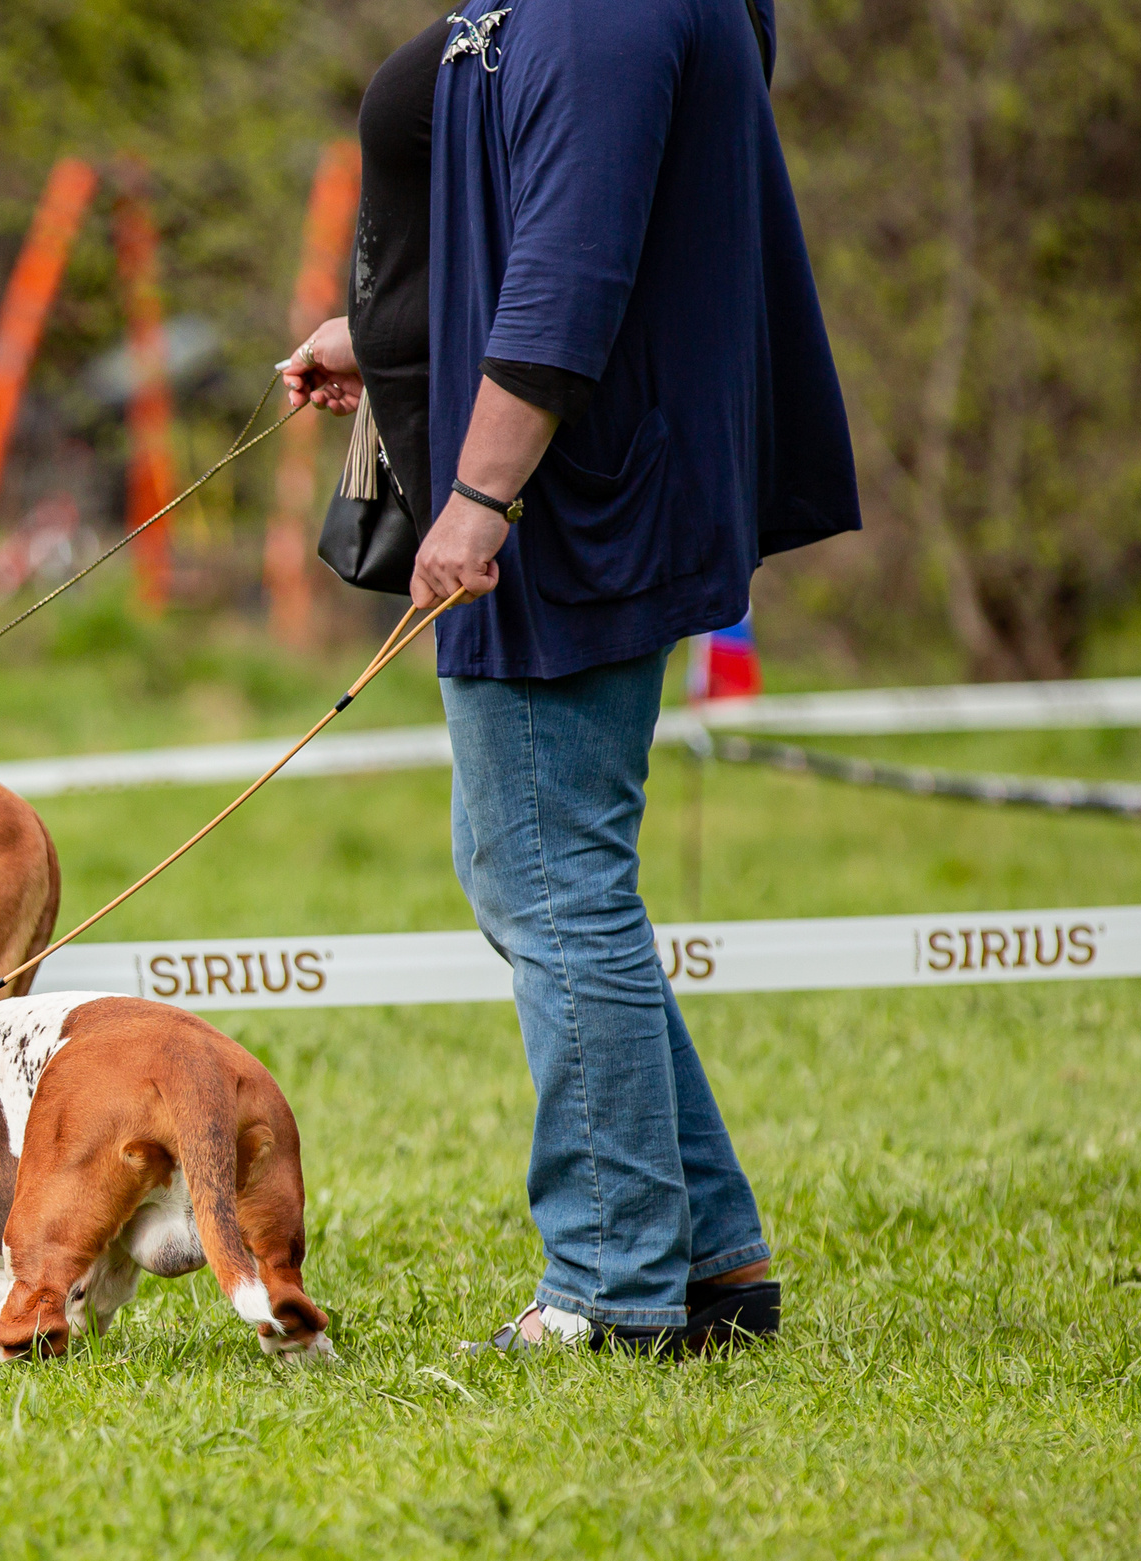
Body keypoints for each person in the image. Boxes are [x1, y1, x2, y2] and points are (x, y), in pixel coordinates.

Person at [280, 0, 860, 1353]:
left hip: (563, 492)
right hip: (558, 473)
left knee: (552, 873)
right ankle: (708, 1262)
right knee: (535, 868)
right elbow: (528, 204)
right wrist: (390, 332)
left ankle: (611, 1288)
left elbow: (576, 263)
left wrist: (481, 489)